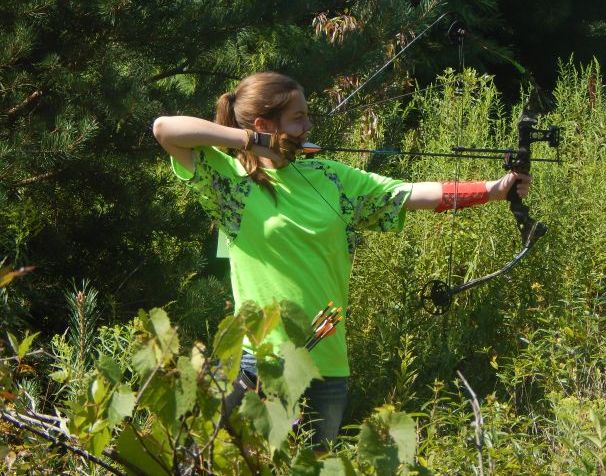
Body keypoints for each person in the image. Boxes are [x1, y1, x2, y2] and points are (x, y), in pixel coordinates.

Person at [152, 71, 531, 450]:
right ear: (266, 124)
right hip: (254, 363)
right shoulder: (230, 182)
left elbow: (408, 193)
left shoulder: (330, 178)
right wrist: (251, 141)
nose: (308, 126)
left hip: (325, 368)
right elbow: (165, 128)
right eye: (298, 118)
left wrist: (493, 190)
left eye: (307, 116)